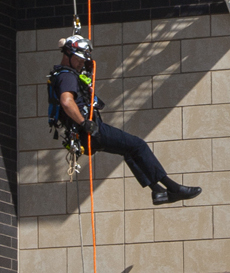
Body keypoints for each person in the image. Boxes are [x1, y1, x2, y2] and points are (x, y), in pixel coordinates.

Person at [55, 31, 200, 205]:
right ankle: (173, 188)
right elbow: (67, 101)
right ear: (67, 54)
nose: (81, 63)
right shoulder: (67, 76)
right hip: (90, 131)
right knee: (138, 145)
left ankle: (158, 191)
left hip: (85, 133)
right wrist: (84, 123)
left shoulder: (64, 74)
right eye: (78, 59)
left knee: (129, 150)